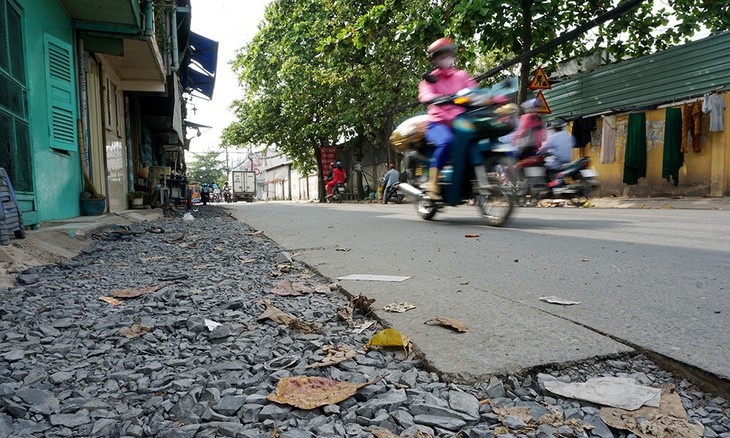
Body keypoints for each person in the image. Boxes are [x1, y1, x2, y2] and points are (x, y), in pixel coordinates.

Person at [418, 37, 477, 200]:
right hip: (438, 124)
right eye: (440, 55)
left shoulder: (462, 75)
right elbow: (425, 95)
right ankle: (432, 184)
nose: (445, 57)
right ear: (434, 59)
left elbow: (475, 91)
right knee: (447, 141)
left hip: (461, 122)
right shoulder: (429, 80)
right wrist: (436, 98)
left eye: (447, 53)